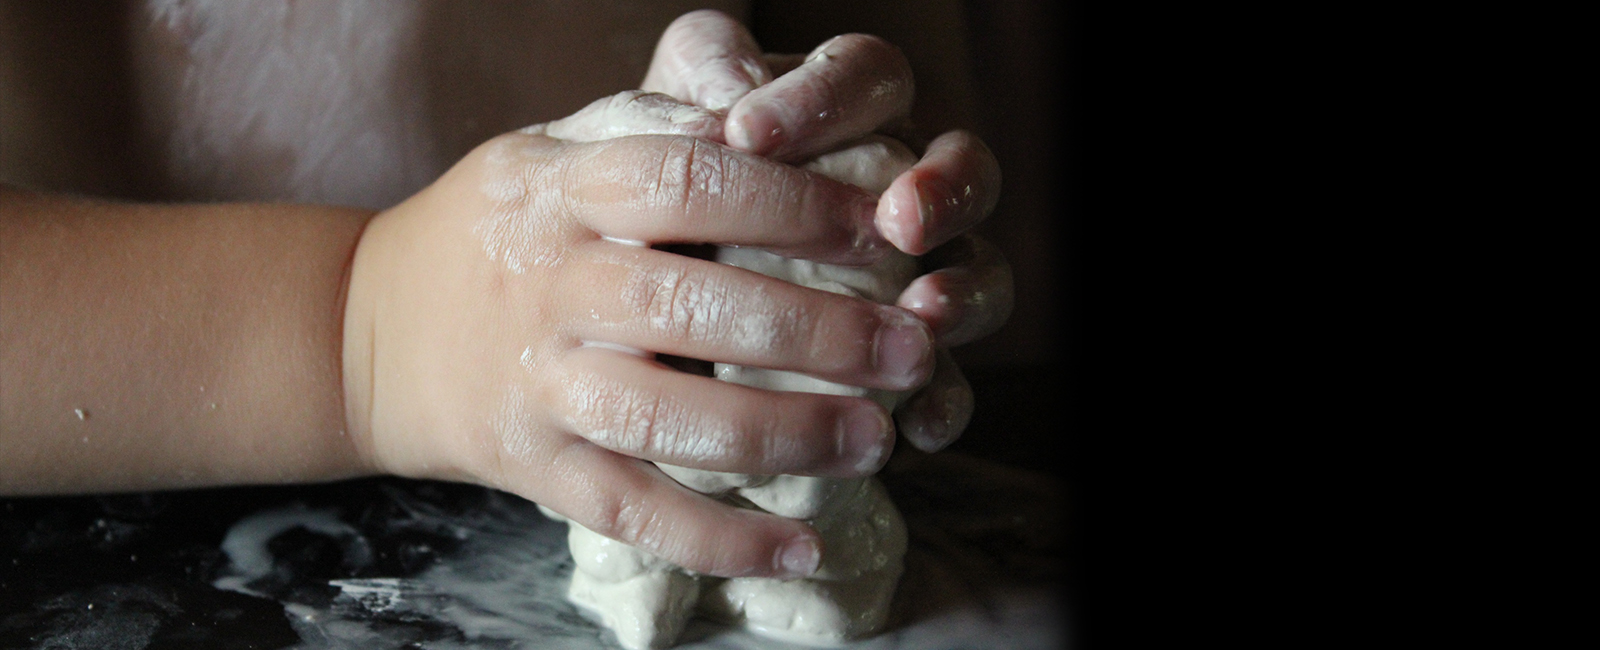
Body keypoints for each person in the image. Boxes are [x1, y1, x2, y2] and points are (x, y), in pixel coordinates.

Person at [0, 3, 1013, 582]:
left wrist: (858, 202)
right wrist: (374, 322)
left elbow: (914, 87)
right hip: (120, 566)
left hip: (676, 497)